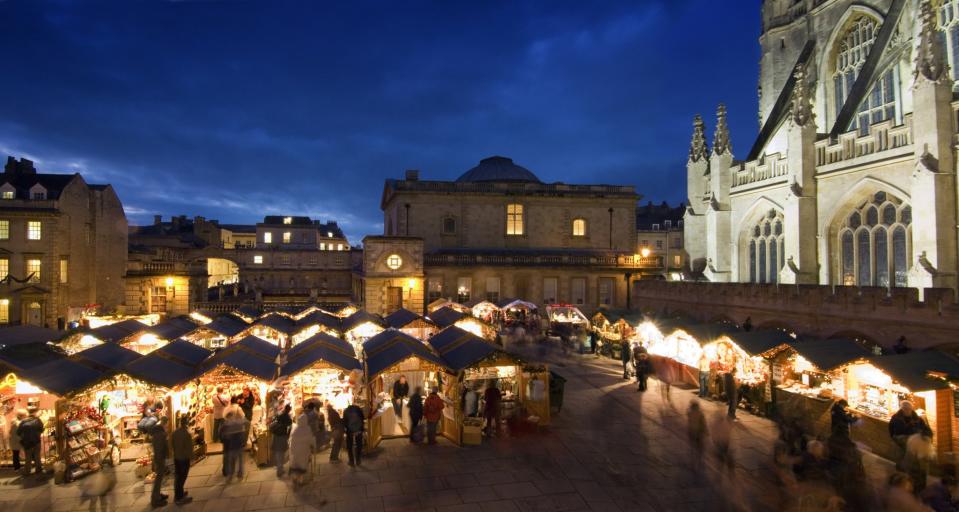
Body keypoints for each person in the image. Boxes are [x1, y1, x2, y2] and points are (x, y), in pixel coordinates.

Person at [220, 408, 248, 480]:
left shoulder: (228, 423)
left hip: (233, 445)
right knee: (239, 460)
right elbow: (247, 423)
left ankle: (231, 475)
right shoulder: (239, 421)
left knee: (232, 460)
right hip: (238, 444)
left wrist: (224, 438)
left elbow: (222, 432)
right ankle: (239, 474)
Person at [171, 416, 194, 505]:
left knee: (178, 477)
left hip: (177, 457)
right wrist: (192, 457)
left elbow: (171, 444)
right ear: (187, 423)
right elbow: (189, 448)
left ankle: (179, 493)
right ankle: (179, 497)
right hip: (184, 458)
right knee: (182, 477)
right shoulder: (186, 434)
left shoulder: (175, 432)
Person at [288, 413, 315, 485]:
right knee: (302, 466)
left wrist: (291, 450)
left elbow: (292, 440)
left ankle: (295, 477)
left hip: (296, 452)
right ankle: (300, 480)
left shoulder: (295, 429)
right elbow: (310, 439)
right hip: (304, 451)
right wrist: (313, 445)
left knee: (296, 465)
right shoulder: (307, 429)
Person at [17, 406, 44, 477]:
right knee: (37, 456)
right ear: (35, 413)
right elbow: (42, 429)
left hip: (27, 442)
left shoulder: (23, 421)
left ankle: (27, 472)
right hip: (36, 441)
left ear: (28, 413)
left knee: (28, 457)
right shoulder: (38, 420)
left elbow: (18, 432)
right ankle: (38, 470)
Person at [150, 416, 170, 508]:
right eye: (167, 424)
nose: (167, 426)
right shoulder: (160, 433)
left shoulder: (159, 432)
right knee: (158, 479)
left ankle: (157, 495)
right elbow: (159, 448)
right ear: (165, 423)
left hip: (159, 458)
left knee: (160, 478)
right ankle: (155, 500)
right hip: (159, 458)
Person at [270, 404, 293, 477]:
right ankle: (279, 471)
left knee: (278, 455)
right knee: (281, 455)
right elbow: (290, 423)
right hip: (282, 437)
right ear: (289, 410)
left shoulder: (281, 414)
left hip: (276, 437)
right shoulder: (286, 416)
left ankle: (280, 469)